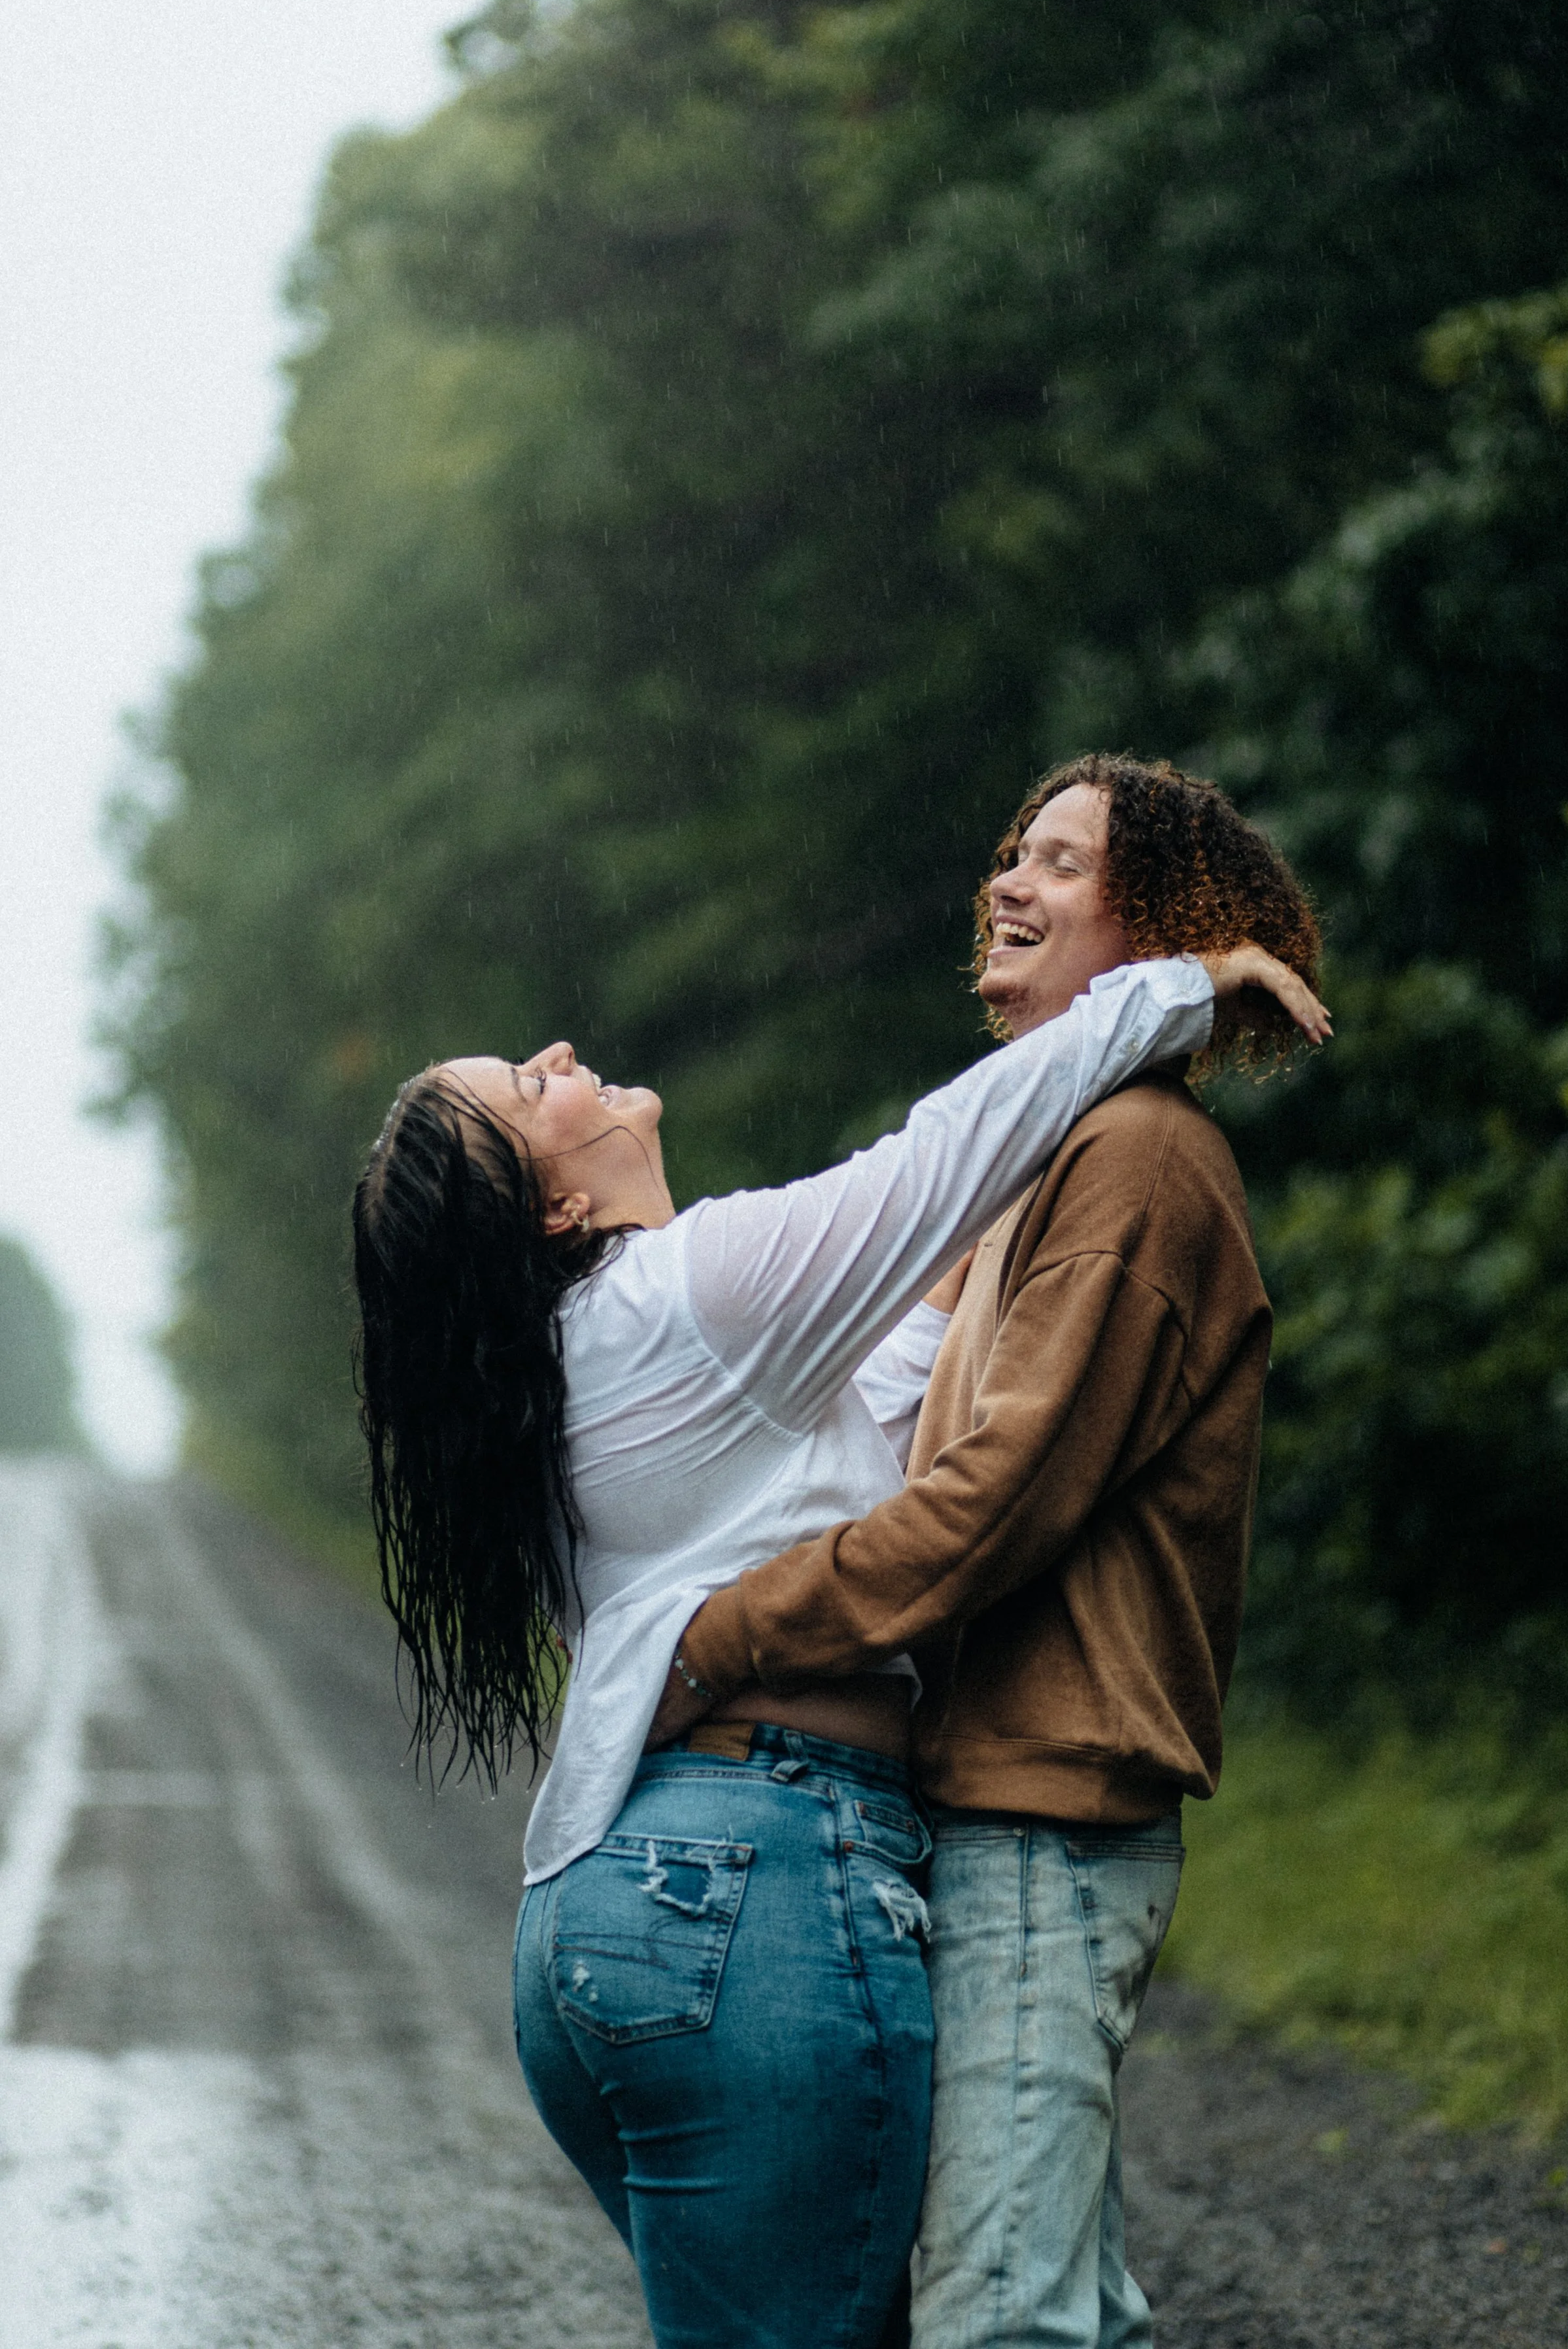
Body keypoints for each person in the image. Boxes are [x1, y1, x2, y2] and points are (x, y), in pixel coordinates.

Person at [350, 853, 1325, 2349]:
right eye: (523, 1092)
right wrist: (1175, 984)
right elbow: (944, 1158)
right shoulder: (692, 1293)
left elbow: (893, 1383)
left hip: (602, 1929)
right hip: (757, 1895)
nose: (556, 1056)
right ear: (548, 1209)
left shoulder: (589, 1387)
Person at [658, 753, 1324, 2349]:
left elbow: (992, 1505)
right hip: (977, 1814)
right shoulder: (1041, 1169)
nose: (1009, 886)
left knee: (999, 2319)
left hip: (1044, 1817)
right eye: (1008, 856)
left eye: (1062, 863)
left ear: (1157, 918)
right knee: (1059, 2304)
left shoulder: (1138, 1161)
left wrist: (724, 1635)